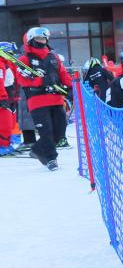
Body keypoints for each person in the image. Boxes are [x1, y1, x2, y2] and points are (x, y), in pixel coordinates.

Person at [16, 27, 72, 171]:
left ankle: (37, 149)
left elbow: (63, 73)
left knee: (59, 131)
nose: (41, 41)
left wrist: (69, 87)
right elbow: (22, 80)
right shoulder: (24, 59)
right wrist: (40, 82)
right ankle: (50, 159)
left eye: (43, 39)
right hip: (37, 100)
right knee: (46, 131)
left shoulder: (53, 57)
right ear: (30, 40)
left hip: (56, 98)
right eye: (38, 39)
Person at [0, 42, 18, 157]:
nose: (12, 56)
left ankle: (7, 144)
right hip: (3, 98)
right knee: (5, 123)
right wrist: (2, 98)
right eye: (10, 53)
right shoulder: (1, 64)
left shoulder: (7, 63)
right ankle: (3, 146)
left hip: (9, 97)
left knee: (11, 123)